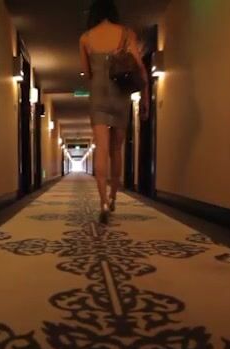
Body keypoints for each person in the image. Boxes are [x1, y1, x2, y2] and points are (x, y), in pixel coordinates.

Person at [79, 0, 148, 223]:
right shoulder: (127, 34)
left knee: (101, 147)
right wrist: (145, 97)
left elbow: (86, 72)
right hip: (120, 95)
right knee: (116, 149)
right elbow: (140, 67)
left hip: (98, 95)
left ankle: (102, 203)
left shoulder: (86, 38)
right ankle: (113, 196)